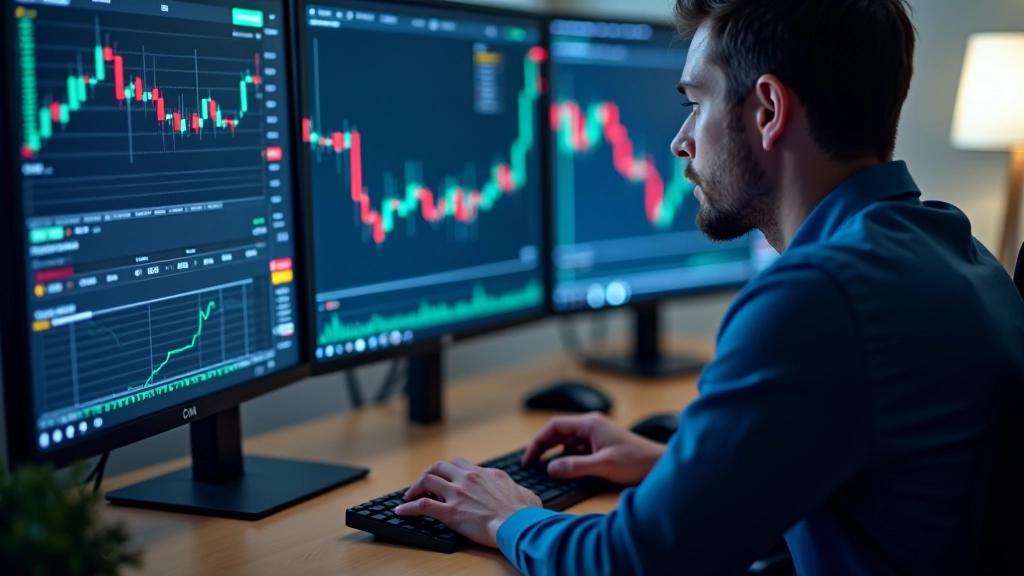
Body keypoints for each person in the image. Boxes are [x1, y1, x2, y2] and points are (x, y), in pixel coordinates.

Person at [395, 0, 1024, 573]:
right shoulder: (957, 250)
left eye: (696, 104)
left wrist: (507, 515)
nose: (680, 142)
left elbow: (636, 562)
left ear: (769, 111)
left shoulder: (818, 296)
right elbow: (878, 487)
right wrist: (681, 472)